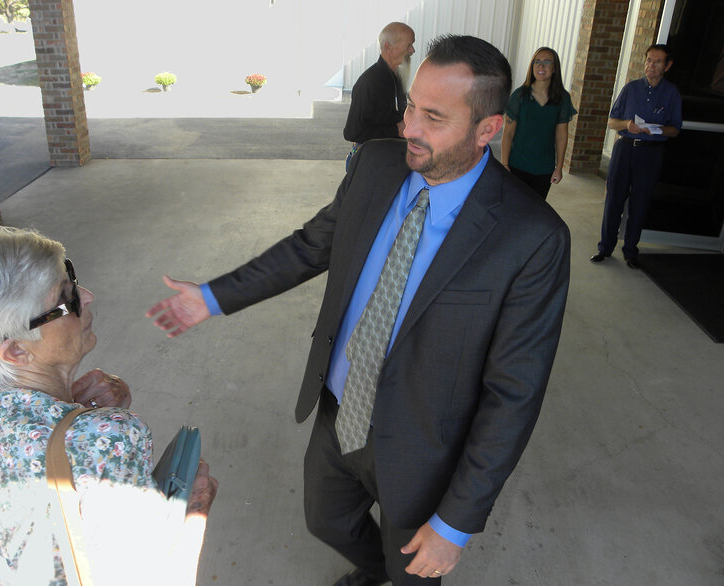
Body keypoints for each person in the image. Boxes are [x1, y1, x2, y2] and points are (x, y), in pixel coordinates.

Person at [148, 35, 570, 586]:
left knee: (415, 564)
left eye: (434, 118)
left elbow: (514, 393)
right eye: (411, 107)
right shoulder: (375, 165)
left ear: (487, 129)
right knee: (325, 521)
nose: (409, 127)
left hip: (424, 444)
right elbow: (309, 246)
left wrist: (456, 524)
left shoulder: (532, 236)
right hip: (338, 410)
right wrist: (211, 297)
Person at [0, 226, 218, 585]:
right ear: (16, 350)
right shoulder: (112, 436)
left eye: (71, 277)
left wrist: (77, 410)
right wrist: (196, 508)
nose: (87, 296)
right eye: (67, 297)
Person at [591, 44, 682, 269]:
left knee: (640, 204)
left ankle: (631, 251)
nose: (650, 65)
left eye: (657, 61)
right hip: (625, 149)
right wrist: (627, 125)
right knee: (614, 200)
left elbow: (675, 128)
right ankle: (605, 247)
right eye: (648, 60)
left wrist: (657, 129)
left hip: (650, 154)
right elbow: (612, 121)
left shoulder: (671, 93)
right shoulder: (631, 89)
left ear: (667, 66)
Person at [500, 46, 577, 199]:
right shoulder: (520, 96)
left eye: (547, 62)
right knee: (514, 211)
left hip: (544, 168)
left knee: (535, 213)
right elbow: (508, 133)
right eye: (537, 62)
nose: (541, 66)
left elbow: (561, 136)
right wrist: (504, 165)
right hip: (517, 165)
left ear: (555, 69)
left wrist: (559, 167)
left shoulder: (562, 98)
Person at [344, 22, 415, 169]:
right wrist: (396, 130)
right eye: (408, 45)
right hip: (367, 164)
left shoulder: (396, 78)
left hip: (387, 159)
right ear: (388, 47)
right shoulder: (369, 82)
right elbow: (352, 132)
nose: (412, 50)